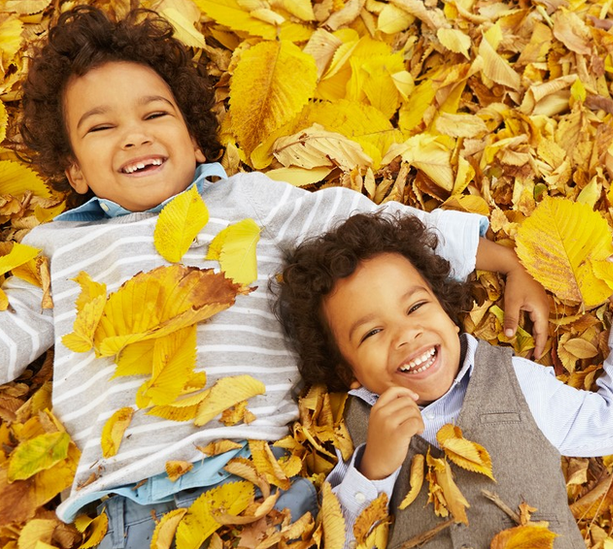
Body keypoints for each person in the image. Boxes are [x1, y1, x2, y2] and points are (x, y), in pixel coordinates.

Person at [1, 5, 549, 546]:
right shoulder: (56, 248)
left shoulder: (245, 201)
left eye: (154, 115)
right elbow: (10, 331)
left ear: (194, 141)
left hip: (263, 479)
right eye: (101, 127)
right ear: (73, 168)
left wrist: (504, 259)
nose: (133, 136)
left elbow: (371, 228)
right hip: (133, 504)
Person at [275, 212, 613, 548]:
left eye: (416, 306)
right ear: (349, 374)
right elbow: (341, 537)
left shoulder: (517, 383)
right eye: (372, 332)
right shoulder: (353, 430)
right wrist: (374, 470)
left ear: (446, 308)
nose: (406, 334)